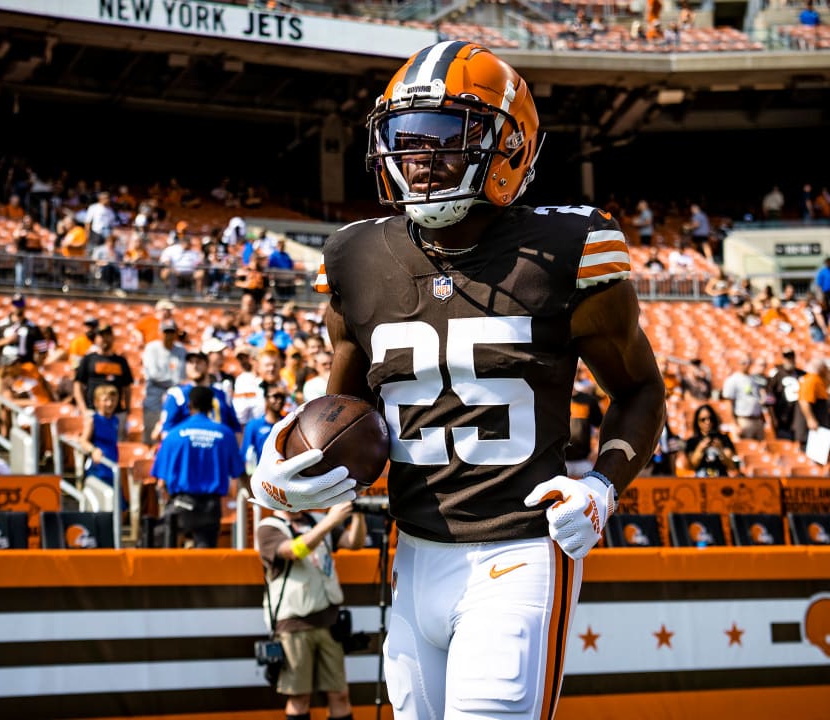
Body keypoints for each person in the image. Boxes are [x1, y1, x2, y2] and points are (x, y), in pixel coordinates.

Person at [246, 42, 664, 720]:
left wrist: (602, 486)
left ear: (510, 147)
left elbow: (640, 388)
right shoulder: (357, 256)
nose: (417, 157)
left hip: (522, 551)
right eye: (404, 138)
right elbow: (347, 409)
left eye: (444, 136)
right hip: (411, 556)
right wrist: (285, 457)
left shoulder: (569, 250)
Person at [256, 501, 365, 720]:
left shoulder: (316, 520)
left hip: (329, 621)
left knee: (340, 695)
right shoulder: (268, 527)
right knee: (299, 697)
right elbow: (295, 551)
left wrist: (358, 514)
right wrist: (331, 521)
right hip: (293, 625)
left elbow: (354, 543)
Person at [151, 386, 245, 548]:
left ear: (189, 406)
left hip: (182, 504)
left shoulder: (175, 434)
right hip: (211, 507)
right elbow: (238, 472)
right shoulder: (225, 434)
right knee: (205, 561)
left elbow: (160, 481)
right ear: (212, 406)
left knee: (161, 549)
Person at [141, 318, 188, 445]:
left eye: (171, 332)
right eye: (166, 332)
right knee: (152, 432)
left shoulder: (181, 349)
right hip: (155, 392)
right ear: (160, 332)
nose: (168, 335)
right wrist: (174, 382)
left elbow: (183, 373)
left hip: (175, 392)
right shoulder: (152, 348)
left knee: (173, 428)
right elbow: (153, 374)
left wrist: (175, 385)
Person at [80, 384, 124, 499]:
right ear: (97, 402)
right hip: (98, 468)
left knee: (118, 503)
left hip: (112, 466)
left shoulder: (115, 420)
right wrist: (93, 450)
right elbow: (83, 440)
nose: (110, 404)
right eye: (106, 400)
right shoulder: (93, 420)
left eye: (113, 400)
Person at [685, 404, 738, 477]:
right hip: (701, 479)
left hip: (721, 477)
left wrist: (720, 450)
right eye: (703, 419)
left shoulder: (724, 438)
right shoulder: (692, 441)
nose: (707, 422)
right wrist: (700, 448)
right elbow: (692, 465)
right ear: (697, 422)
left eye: (710, 418)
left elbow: (731, 466)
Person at [721, 355, 766, 440]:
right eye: (743, 362)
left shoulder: (753, 379)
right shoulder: (733, 379)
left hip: (756, 419)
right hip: (743, 419)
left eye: (748, 362)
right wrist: (734, 423)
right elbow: (728, 402)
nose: (746, 365)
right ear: (737, 363)